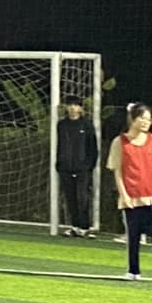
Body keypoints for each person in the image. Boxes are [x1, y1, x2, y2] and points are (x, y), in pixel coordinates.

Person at [106, 102, 152, 284]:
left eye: (149, 119)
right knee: (133, 237)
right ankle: (133, 270)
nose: (146, 122)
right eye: (142, 118)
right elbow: (117, 170)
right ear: (132, 119)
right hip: (132, 198)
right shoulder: (120, 142)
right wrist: (124, 195)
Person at [56, 95, 99, 238]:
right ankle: (74, 226)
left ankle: (85, 227)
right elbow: (59, 145)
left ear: (80, 108)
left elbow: (92, 146)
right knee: (70, 198)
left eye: (75, 105)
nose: (72, 108)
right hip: (66, 167)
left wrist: (89, 165)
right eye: (70, 105)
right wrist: (60, 163)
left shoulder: (86, 125)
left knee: (83, 198)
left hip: (82, 168)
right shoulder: (62, 125)